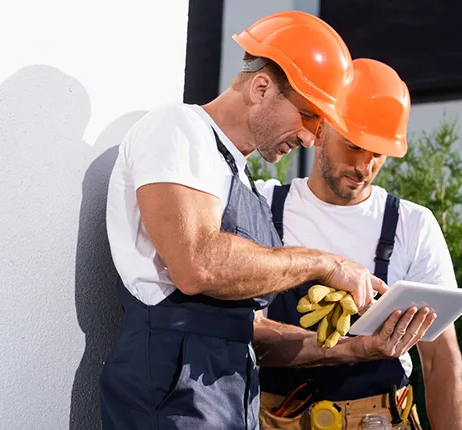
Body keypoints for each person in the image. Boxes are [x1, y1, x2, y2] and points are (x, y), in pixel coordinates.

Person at [98, 11, 430, 430]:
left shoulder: (240, 178)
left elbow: (252, 333)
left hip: (229, 397)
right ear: (261, 88)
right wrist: (324, 264)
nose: (312, 137)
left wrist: (360, 349)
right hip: (170, 388)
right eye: (310, 116)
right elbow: (196, 264)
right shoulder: (177, 129)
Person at [253, 59, 462, 430]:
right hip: (275, 419)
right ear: (320, 130)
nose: (365, 167)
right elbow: (242, 333)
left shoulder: (411, 225)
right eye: (354, 147)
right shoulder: (261, 205)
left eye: (378, 153)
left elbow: (440, 360)